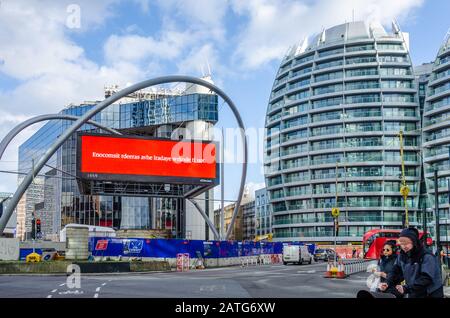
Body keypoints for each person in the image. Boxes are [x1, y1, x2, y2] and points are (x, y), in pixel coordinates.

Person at [379, 227, 444, 298]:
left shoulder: (427, 256)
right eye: (402, 244)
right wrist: (387, 282)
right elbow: (395, 271)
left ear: (414, 242)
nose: (404, 246)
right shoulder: (402, 255)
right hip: (414, 292)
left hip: (430, 293)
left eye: (406, 243)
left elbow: (426, 278)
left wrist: (406, 288)